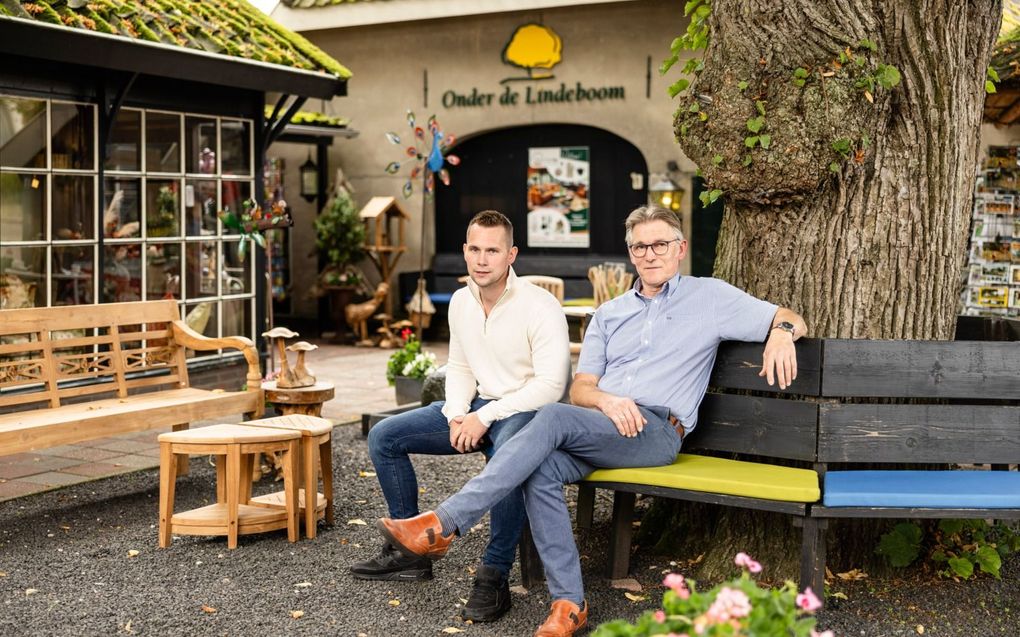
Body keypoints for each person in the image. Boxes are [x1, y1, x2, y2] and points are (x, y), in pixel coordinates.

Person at [374, 204, 808, 637]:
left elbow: (787, 316)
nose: (650, 254)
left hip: (656, 431)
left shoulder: (709, 297)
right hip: (599, 425)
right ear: (630, 253)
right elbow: (581, 389)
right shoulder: (609, 313)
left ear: (679, 249)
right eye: (640, 247)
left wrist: (782, 335)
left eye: (660, 244)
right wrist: (605, 399)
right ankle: (569, 604)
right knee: (540, 468)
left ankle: (443, 523)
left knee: (548, 415)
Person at [351, 210, 571, 624]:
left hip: (523, 413)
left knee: (508, 460)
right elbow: (460, 367)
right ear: (465, 251)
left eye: (493, 250)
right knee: (385, 436)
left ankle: (494, 574)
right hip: (475, 408)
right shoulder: (460, 301)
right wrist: (455, 414)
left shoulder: (540, 305)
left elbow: (551, 385)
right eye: (475, 249)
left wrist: (484, 417)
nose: (482, 259)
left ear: (511, 255)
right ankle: (409, 552)